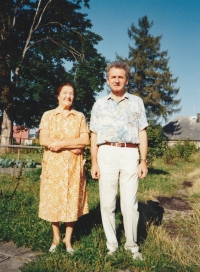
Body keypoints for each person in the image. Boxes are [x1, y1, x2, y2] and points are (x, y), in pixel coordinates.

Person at [90, 61, 148, 260]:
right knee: (107, 203)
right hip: (106, 153)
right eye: (113, 77)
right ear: (107, 80)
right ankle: (112, 247)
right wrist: (94, 162)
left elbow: (142, 132)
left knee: (130, 204)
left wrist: (143, 160)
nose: (116, 80)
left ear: (127, 80)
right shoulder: (99, 104)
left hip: (130, 153)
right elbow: (93, 135)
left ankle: (132, 246)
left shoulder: (137, 102)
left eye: (120, 77)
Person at [39, 82, 89, 253]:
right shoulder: (48, 115)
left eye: (72, 93)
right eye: (65, 93)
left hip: (74, 166)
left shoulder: (79, 116)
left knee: (71, 199)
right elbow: (44, 140)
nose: (68, 96)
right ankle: (56, 238)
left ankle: (68, 240)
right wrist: (70, 146)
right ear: (58, 95)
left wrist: (60, 144)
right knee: (53, 199)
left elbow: (85, 141)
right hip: (53, 164)